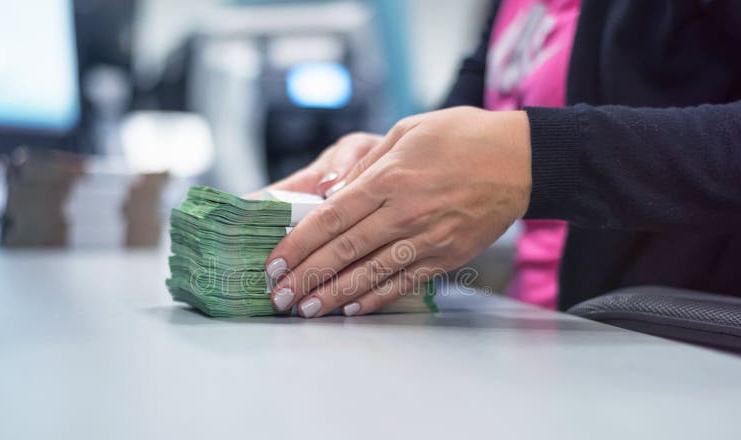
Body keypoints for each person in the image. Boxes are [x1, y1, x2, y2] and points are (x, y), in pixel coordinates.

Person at [261, 0, 741, 318]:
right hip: (541, 334)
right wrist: (388, 160)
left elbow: (518, 150)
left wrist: (536, 157)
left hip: (665, 356)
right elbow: (462, 124)